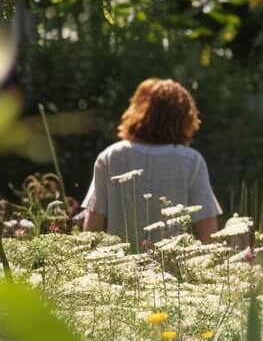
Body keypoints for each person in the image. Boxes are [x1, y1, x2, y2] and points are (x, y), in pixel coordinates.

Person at [81, 78, 222, 246]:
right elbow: (208, 233)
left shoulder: (111, 157)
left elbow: (92, 230)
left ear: (138, 111)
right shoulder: (191, 161)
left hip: (119, 267)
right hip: (175, 269)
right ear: (184, 119)